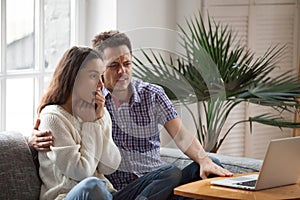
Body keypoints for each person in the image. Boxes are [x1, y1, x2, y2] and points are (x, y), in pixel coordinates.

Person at [29, 31, 233, 199]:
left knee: (212, 169)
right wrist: (32, 139)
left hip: (157, 183)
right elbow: (56, 122)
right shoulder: (92, 103)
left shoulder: (151, 95)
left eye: (127, 64)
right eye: (113, 66)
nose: (122, 71)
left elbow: (181, 134)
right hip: (119, 190)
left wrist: (204, 159)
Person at [36, 46, 120, 200]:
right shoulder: (53, 117)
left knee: (168, 174)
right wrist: (91, 124)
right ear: (73, 77)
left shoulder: (98, 111)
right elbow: (82, 172)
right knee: (93, 186)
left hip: (106, 195)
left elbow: (110, 166)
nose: (101, 84)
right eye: (94, 76)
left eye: (101, 76)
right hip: (69, 196)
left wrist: (100, 120)